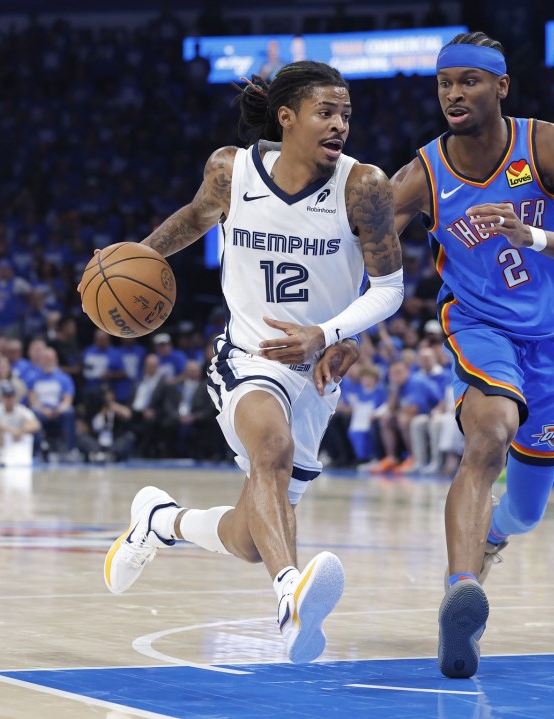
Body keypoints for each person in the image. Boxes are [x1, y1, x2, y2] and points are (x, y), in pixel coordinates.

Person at [91, 60, 404, 664]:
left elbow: (389, 288)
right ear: (286, 117)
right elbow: (194, 218)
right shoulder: (231, 170)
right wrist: (131, 258)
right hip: (247, 356)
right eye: (325, 112)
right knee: (272, 450)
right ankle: (290, 599)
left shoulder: (363, 185)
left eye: (345, 114)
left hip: (315, 373)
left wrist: (331, 334)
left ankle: (161, 521)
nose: (340, 125)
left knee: (250, 538)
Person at [390, 32, 554, 678]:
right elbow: (363, 244)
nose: (454, 94)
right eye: (444, 83)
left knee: (525, 510)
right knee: (488, 432)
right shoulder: (423, 174)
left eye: (468, 81)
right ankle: (461, 589)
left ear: (501, 86)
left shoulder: (548, 145)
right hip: (480, 324)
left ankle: (492, 535)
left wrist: (535, 236)